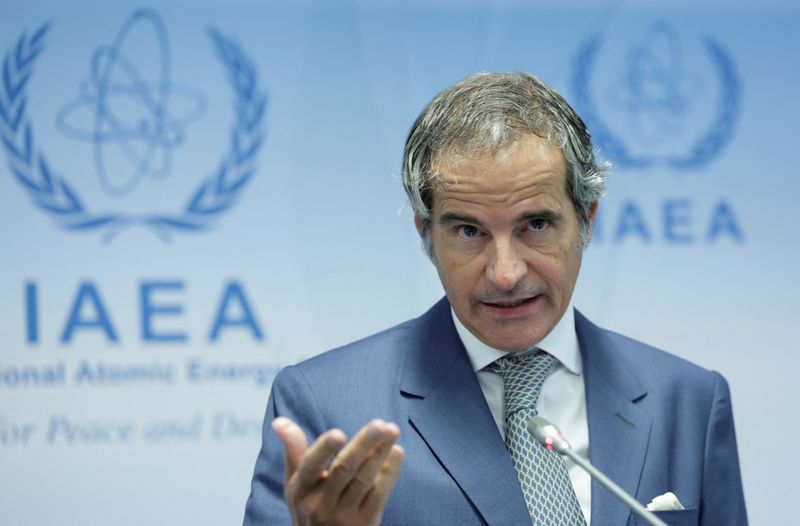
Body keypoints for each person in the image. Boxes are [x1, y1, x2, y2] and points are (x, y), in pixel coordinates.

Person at [243, 72, 747, 525]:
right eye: (468, 231)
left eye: (536, 225)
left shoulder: (689, 401)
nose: (505, 274)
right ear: (426, 234)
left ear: (588, 219)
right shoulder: (325, 406)